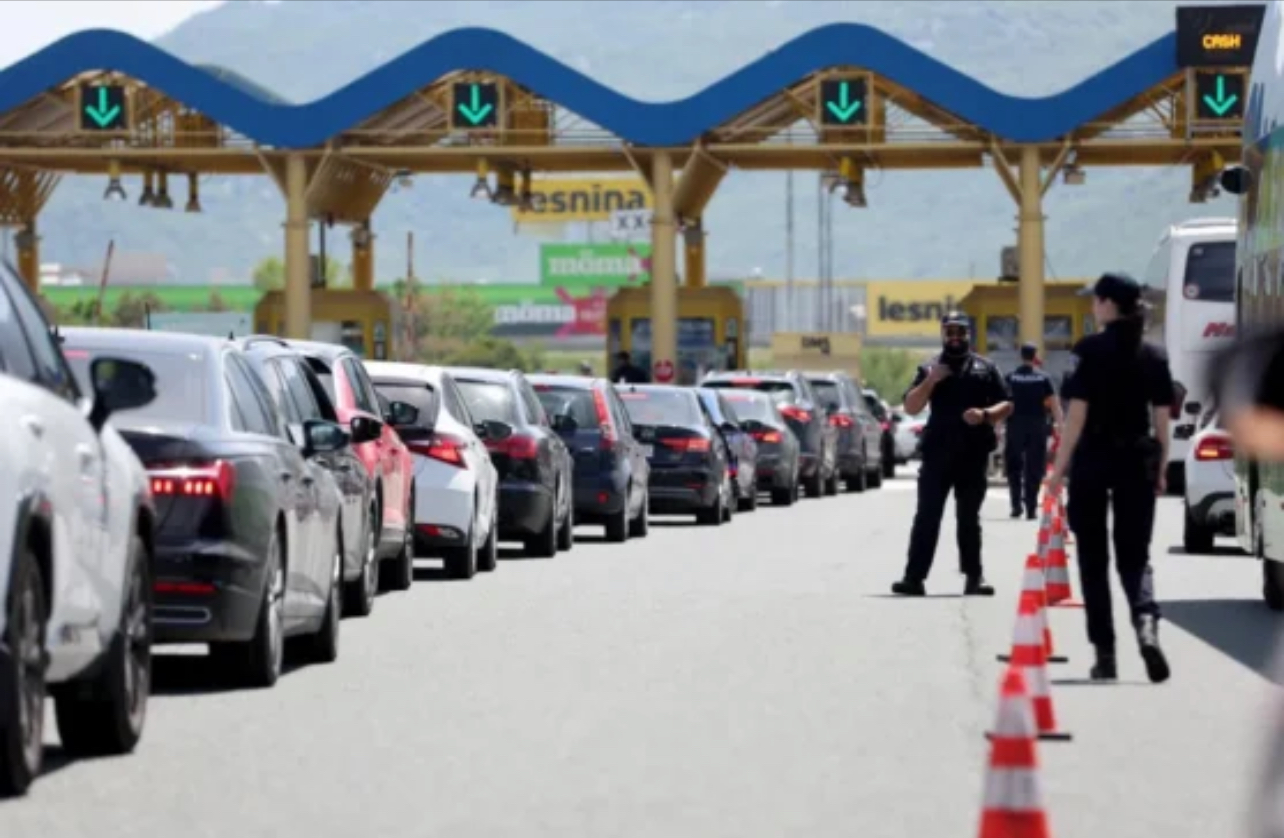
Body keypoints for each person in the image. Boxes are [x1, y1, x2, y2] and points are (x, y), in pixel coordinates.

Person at [1047, 271, 1172, 684]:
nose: (1092, 307)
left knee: (1093, 560)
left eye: (1095, 301)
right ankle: (1147, 626)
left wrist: (1058, 470)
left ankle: (1106, 654)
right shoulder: (1153, 355)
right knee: (1135, 558)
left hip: (1093, 463)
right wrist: (1161, 468)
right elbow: (1161, 421)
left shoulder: (1090, 350)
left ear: (1106, 304)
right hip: (1137, 459)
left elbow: (1076, 417)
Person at [891, 312, 1013, 597]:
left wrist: (985, 414)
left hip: (972, 455)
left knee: (968, 518)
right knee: (927, 517)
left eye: (960, 332)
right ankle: (913, 578)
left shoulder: (986, 368)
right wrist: (931, 381)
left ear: (968, 334)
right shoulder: (929, 368)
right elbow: (910, 406)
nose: (955, 338)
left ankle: (974, 577)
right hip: (937, 456)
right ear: (943, 335)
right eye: (950, 333)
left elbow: (1007, 404)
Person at [1004, 342, 1064, 519]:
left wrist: (997, 426)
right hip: (1037, 426)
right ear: (1035, 356)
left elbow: (1003, 404)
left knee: (1014, 465)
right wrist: (1061, 426)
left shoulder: (1011, 377)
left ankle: (1016, 505)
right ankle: (1031, 507)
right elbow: (1054, 404)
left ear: (1021, 356)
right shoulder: (1043, 377)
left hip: (1015, 425)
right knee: (1034, 466)